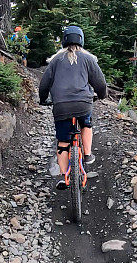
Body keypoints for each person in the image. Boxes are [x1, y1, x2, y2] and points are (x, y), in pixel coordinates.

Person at [38, 25, 107, 190]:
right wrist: (102, 95)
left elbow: (44, 84)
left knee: (62, 142)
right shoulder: (88, 59)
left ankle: (64, 177)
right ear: (82, 40)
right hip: (83, 103)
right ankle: (88, 154)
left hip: (61, 106)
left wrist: (42, 99)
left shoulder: (55, 60)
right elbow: (100, 82)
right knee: (86, 124)